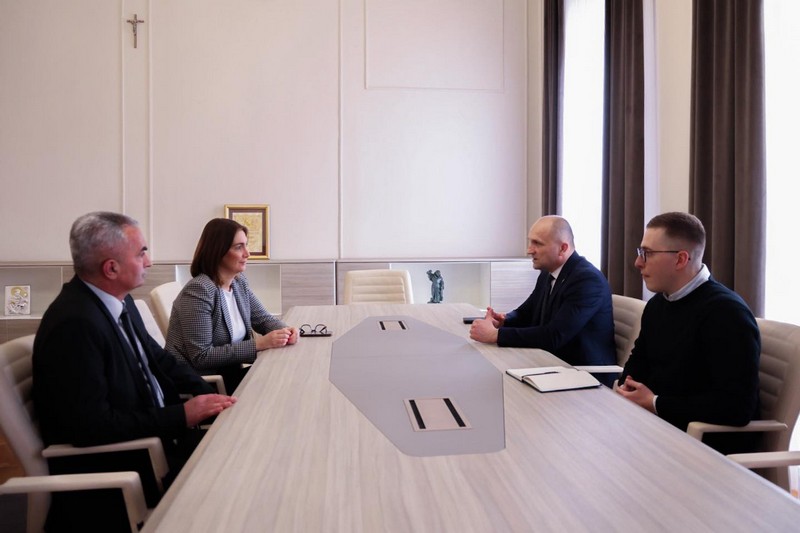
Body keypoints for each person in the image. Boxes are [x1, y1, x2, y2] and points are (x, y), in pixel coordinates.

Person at [33, 211, 237, 531]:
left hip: (158, 439)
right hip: (126, 465)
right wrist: (181, 415)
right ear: (111, 268)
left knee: (245, 447)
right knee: (241, 475)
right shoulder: (74, 324)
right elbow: (91, 426)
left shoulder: (119, 301)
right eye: (141, 252)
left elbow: (160, 359)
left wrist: (208, 394)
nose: (149, 261)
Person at [615, 212, 760, 454]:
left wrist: (655, 403)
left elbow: (737, 407)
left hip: (703, 447)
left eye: (647, 253)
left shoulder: (726, 312)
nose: (638, 262)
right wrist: (627, 387)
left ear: (681, 259)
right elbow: (637, 365)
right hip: (654, 429)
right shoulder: (658, 304)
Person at [165, 218, 299, 392]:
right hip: (204, 383)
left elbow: (263, 319)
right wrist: (260, 343)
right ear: (217, 251)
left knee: (287, 373)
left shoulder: (238, 282)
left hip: (228, 374)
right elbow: (201, 356)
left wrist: (285, 331)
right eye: (238, 247)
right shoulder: (199, 290)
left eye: (246, 245)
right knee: (283, 380)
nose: (247, 253)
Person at [469, 215, 616, 373]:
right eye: (530, 242)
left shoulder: (587, 280)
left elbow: (554, 335)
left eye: (537, 243)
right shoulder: (548, 272)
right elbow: (527, 313)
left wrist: (496, 335)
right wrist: (504, 321)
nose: (529, 250)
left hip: (581, 372)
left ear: (563, 248)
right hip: (550, 361)